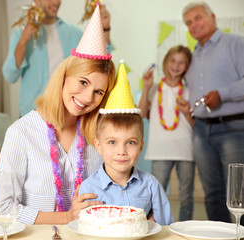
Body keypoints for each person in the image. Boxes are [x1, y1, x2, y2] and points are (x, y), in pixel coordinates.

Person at [0, 3, 115, 225]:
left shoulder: (98, 136)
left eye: (98, 91)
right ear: (64, 75)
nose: (88, 97)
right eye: (82, 82)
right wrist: (67, 217)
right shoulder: (21, 134)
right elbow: (2, 209)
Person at [78, 62, 174, 226]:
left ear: (141, 146)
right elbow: (83, 230)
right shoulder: (89, 189)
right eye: (112, 142)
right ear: (98, 146)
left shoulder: (151, 186)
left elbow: (166, 229)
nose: (121, 151)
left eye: (130, 142)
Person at [182, 1, 244, 224]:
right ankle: (221, 236)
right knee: (211, 193)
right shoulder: (191, 56)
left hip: (233, 128)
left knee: (238, 193)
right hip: (200, 130)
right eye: (188, 23)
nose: (193, 25)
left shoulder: (236, 44)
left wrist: (223, 94)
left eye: (197, 18)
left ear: (213, 17)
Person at [2, 0, 112, 116]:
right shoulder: (21, 33)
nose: (56, 2)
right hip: (31, 112)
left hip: (64, 115)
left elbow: (101, 63)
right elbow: (10, 76)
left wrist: (105, 28)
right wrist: (23, 41)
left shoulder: (73, 34)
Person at [138, 45, 194, 221]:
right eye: (173, 60)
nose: (176, 65)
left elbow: (194, 125)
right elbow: (140, 114)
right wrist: (146, 87)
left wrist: (185, 111)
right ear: (165, 62)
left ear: (187, 67)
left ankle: (185, 228)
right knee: (156, 193)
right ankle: (157, 228)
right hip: (160, 149)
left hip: (186, 148)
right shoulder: (154, 88)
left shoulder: (189, 90)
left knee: (186, 196)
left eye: (182, 62)